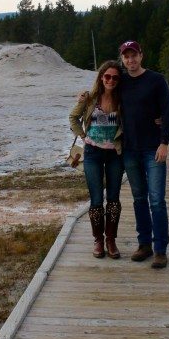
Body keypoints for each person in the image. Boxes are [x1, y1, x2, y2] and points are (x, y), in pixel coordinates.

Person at [118, 40, 169, 270]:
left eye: (134, 55)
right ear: (122, 59)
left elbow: (168, 113)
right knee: (139, 199)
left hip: (153, 148)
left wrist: (164, 143)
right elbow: (102, 96)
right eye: (126, 56)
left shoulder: (156, 80)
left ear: (141, 55)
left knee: (157, 200)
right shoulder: (120, 82)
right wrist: (84, 98)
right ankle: (144, 244)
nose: (130, 60)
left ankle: (160, 249)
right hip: (130, 149)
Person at [69, 60, 124, 259]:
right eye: (107, 76)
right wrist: (83, 136)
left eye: (115, 77)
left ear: (119, 80)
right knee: (96, 199)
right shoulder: (90, 98)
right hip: (92, 153)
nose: (110, 80)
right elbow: (73, 117)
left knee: (114, 199)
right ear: (101, 77)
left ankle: (111, 239)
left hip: (114, 154)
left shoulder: (122, 99)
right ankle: (98, 240)